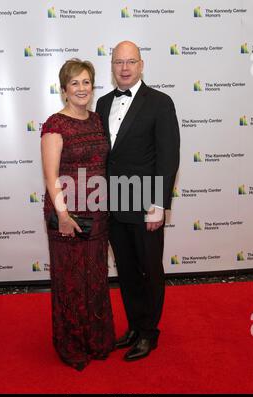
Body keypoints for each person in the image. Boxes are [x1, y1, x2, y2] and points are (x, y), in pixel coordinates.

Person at [96, 41, 180, 361]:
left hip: (146, 206)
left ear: (141, 64)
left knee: (149, 270)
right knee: (127, 271)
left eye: (131, 62)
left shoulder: (160, 102)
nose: (125, 68)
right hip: (114, 206)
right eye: (119, 62)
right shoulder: (103, 103)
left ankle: (149, 333)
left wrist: (159, 205)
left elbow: (168, 156)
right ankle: (133, 326)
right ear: (112, 66)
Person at [41, 59, 115, 371]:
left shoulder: (97, 120)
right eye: (75, 83)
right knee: (70, 281)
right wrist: (64, 216)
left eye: (86, 82)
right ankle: (72, 345)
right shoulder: (55, 125)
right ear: (64, 90)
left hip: (98, 216)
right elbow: (50, 175)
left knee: (95, 279)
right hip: (68, 216)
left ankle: (96, 339)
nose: (82, 88)